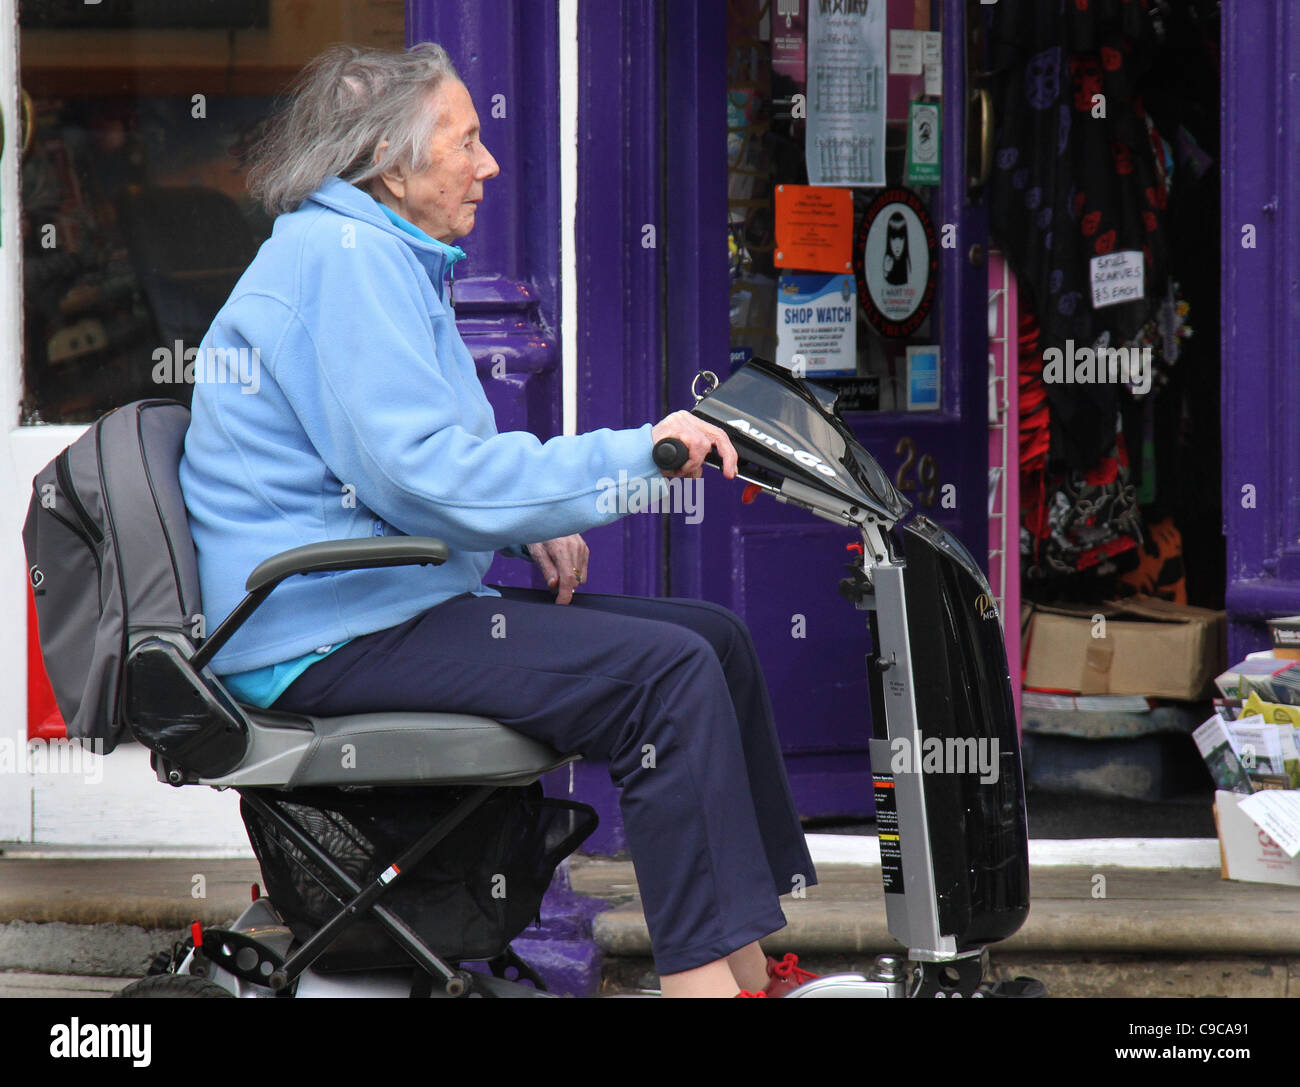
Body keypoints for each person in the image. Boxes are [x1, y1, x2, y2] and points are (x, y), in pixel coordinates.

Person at [178, 42, 818, 998]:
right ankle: (702, 986)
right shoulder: (339, 265)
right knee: (666, 677)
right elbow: (422, 478)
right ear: (391, 164)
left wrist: (519, 526)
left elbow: (425, 461)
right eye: (465, 142)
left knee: (712, 640)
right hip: (321, 634)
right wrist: (640, 455)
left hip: (378, 604)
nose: (489, 165)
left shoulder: (388, 258)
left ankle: (751, 967)